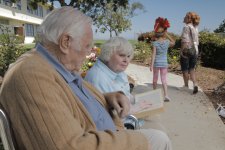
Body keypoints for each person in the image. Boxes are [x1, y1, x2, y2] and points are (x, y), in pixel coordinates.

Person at [0, 7, 172, 150]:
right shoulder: (32, 75)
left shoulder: (54, 66)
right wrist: (139, 142)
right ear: (66, 42)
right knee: (159, 138)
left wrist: (107, 98)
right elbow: (69, 146)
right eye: (87, 46)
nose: (91, 52)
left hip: (110, 133)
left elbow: (69, 100)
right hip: (104, 139)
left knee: (158, 131)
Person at [85, 37, 134, 103]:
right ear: (108, 53)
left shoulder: (116, 70)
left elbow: (126, 95)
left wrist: (136, 100)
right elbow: (108, 110)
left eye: (128, 56)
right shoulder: (98, 77)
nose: (126, 60)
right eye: (122, 55)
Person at [150, 17, 175, 102]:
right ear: (164, 33)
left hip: (156, 64)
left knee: (155, 79)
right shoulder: (167, 42)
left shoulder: (155, 43)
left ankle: (154, 94)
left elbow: (153, 55)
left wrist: (151, 65)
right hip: (164, 64)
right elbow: (174, 42)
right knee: (164, 80)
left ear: (156, 34)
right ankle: (166, 95)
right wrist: (167, 34)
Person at [180, 12, 200, 94]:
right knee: (192, 69)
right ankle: (195, 84)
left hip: (187, 50)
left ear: (189, 19)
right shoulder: (195, 27)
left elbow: (185, 41)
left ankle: (186, 86)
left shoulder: (186, 27)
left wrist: (181, 51)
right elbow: (196, 41)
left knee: (185, 69)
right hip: (195, 50)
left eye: (185, 16)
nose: (183, 17)